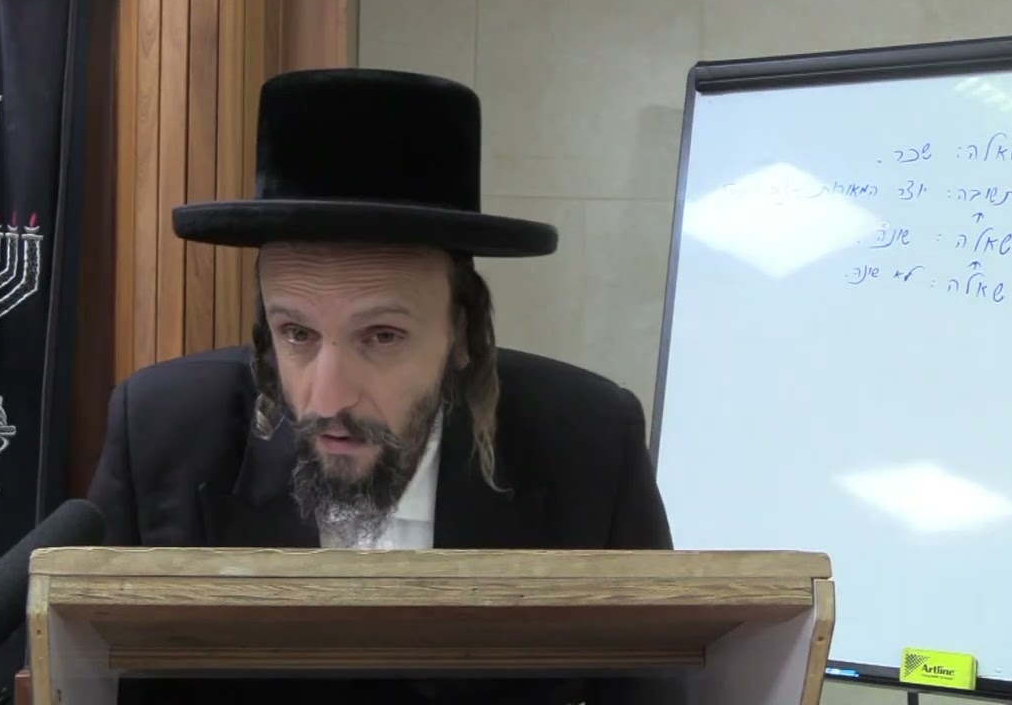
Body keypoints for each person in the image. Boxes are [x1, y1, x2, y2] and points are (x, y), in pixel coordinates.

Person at [87, 67, 676, 705]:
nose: (327, 398)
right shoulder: (162, 435)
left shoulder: (589, 447)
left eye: (382, 336)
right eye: (296, 333)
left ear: (464, 335)